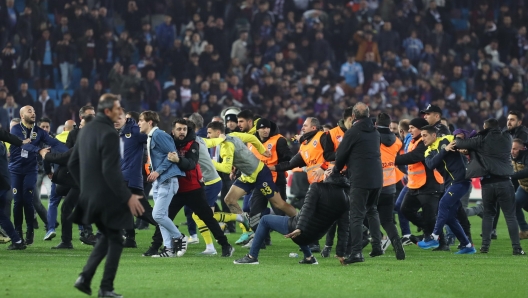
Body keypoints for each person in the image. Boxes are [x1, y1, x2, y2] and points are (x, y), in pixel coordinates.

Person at [69, 94, 144, 297]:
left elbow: (72, 164)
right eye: (118, 108)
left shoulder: (85, 131)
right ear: (108, 111)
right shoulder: (110, 133)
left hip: (90, 195)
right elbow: (111, 171)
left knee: (109, 236)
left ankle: (85, 278)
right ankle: (106, 288)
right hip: (107, 195)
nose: (121, 112)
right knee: (117, 239)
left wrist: (86, 188)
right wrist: (127, 197)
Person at [234, 172, 351, 265]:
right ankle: (309, 257)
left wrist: (299, 228)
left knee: (265, 220)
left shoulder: (317, 187)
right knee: (299, 221)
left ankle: (252, 257)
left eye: (328, 171)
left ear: (330, 176)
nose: (325, 172)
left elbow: (307, 209)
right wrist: (341, 252)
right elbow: (343, 228)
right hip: (315, 236)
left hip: (301, 231)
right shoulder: (346, 200)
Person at [453, 119, 525, 255]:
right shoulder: (507, 137)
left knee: (488, 215)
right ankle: (517, 248)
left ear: (485, 127)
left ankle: (485, 247)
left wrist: (459, 136)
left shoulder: (481, 139)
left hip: (488, 183)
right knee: (510, 216)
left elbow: (459, 143)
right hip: (505, 182)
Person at [166, 119, 235, 257]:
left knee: (203, 216)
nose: (182, 132)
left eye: (184, 129)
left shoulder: (195, 143)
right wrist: (219, 140)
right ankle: (162, 245)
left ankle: (217, 244)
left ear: (189, 131)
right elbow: (212, 142)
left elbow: (191, 163)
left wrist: (221, 140)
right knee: (166, 217)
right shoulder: (172, 143)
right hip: (182, 187)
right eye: (179, 129)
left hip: (200, 185)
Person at [206, 121, 297, 218]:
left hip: (260, 174)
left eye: (209, 133)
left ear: (218, 133)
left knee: (279, 205)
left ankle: (299, 220)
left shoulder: (227, 146)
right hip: (247, 176)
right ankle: (245, 225)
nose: (207, 136)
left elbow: (226, 168)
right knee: (229, 200)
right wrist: (262, 150)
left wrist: (209, 162)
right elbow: (252, 138)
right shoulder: (233, 135)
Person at [332, 102, 383, 264]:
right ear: (368, 115)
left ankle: (356, 253)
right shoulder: (375, 132)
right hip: (377, 178)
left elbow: (341, 154)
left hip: (360, 179)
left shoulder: (353, 132)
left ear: (353, 116)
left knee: (355, 216)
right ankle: (377, 246)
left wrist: (336, 170)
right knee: (372, 210)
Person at [9, 106, 67, 245]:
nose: (33, 113)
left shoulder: (39, 132)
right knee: (17, 202)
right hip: (15, 170)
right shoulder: (16, 129)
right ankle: (18, 234)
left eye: (34, 111)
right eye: (30, 111)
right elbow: (24, 146)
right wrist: (39, 150)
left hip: (30, 170)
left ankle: (30, 231)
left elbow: (54, 143)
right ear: (22, 115)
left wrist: (72, 151)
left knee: (28, 200)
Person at [418, 125, 475, 254]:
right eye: (421, 136)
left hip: (460, 180)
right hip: (449, 184)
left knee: (443, 204)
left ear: (434, 135)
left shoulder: (447, 139)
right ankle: (467, 245)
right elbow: (431, 164)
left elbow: (460, 139)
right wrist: (445, 151)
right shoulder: (428, 151)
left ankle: (434, 237)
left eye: (425, 135)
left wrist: (462, 140)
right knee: (449, 217)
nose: (422, 139)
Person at [138, 110, 187, 258]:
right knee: (161, 216)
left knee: (158, 215)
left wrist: (158, 171)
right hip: (160, 182)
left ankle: (179, 237)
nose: (139, 123)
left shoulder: (159, 135)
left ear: (150, 122)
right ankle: (169, 249)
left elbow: (173, 154)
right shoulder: (151, 136)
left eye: (141, 120)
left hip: (167, 179)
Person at [396, 118, 445, 249]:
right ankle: (430, 233)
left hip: (430, 183)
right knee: (405, 209)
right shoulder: (414, 141)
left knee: (431, 216)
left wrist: (393, 160)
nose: (409, 130)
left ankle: (442, 242)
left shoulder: (424, 142)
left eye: (412, 127)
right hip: (415, 184)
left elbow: (414, 157)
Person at [244, 118, 292, 247]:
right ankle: (262, 239)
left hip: (276, 181)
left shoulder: (279, 140)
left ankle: (305, 234)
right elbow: (249, 161)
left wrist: (275, 167)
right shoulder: (251, 142)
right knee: (254, 212)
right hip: (260, 182)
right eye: (263, 128)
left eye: (267, 128)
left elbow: (289, 159)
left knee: (281, 212)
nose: (265, 130)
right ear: (257, 129)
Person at [114, 111, 157, 248]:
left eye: (119, 118)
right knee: (131, 209)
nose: (116, 120)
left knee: (140, 211)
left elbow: (153, 138)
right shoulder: (114, 133)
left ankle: (171, 231)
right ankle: (130, 239)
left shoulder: (134, 131)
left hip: (130, 178)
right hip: (121, 178)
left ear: (125, 119)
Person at [373, 113, 406, 259]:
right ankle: (397, 243)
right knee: (387, 220)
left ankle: (377, 244)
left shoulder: (372, 138)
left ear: (376, 124)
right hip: (390, 185)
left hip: (374, 184)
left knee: (367, 215)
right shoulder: (397, 141)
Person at [0, 128, 31, 250]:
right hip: (4, 182)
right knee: (1, 216)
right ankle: (17, 241)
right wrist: (21, 142)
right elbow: (6, 135)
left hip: (1, 183)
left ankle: (16, 240)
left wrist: (21, 142)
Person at [511, 139, 528, 239]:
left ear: (522, 149)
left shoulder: (526, 156)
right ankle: (525, 230)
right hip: (524, 188)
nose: (512, 151)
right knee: (514, 204)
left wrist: (512, 176)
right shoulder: (512, 157)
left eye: (515, 149)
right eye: (512, 148)